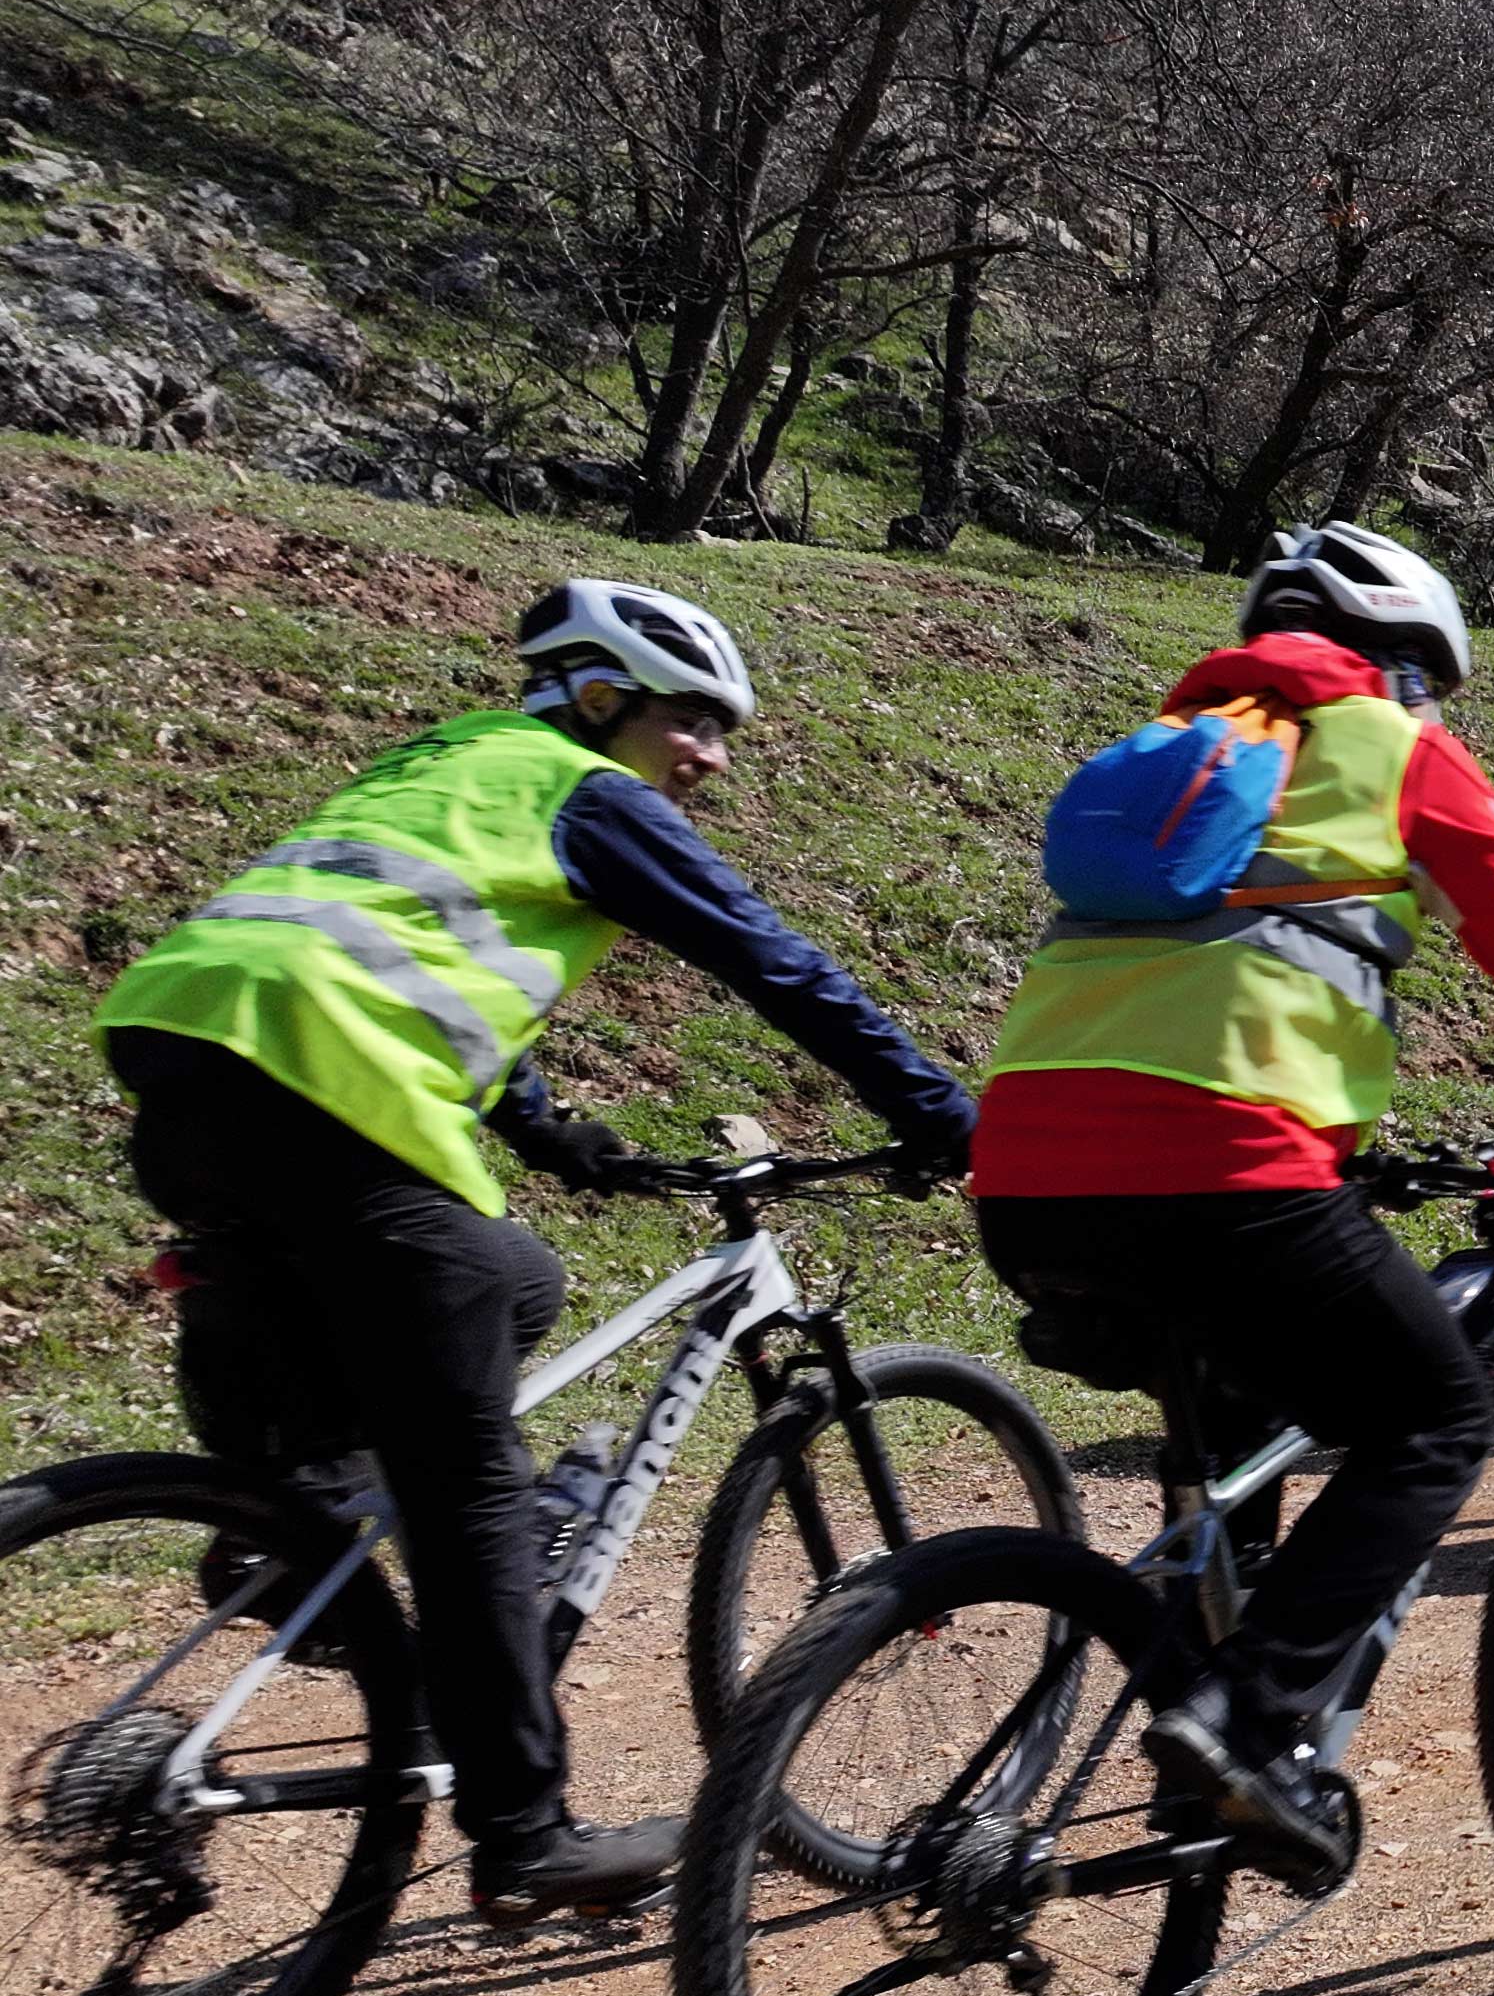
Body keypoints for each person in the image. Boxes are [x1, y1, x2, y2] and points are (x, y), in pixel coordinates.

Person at [98, 581, 983, 1925]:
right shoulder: (589, 790)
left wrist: (559, 1135)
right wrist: (938, 1109)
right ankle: (525, 1833)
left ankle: (293, 1527)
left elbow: (395, 947)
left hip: (183, 1072)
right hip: (326, 1091)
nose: (714, 755)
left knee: (511, 1279)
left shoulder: (452, 761)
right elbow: (770, 960)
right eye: (694, 718)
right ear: (600, 696)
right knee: (472, 1481)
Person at [976, 523, 1494, 1888]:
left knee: (1245, 1420)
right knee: (1435, 1415)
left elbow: (1195, 980)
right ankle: (1242, 1727)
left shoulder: (1171, 754)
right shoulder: (1386, 741)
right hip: (1223, 1166)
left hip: (1028, 1175)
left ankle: (1191, 1686)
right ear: (1402, 658)